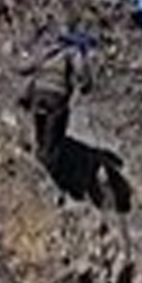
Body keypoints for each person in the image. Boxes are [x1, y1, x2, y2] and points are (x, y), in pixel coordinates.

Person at [24, 27, 94, 175]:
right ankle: (48, 168)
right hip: (56, 95)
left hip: (38, 92)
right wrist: (85, 86)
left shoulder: (48, 50)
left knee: (40, 127)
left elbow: (29, 66)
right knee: (54, 132)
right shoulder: (74, 52)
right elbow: (81, 72)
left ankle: (36, 157)